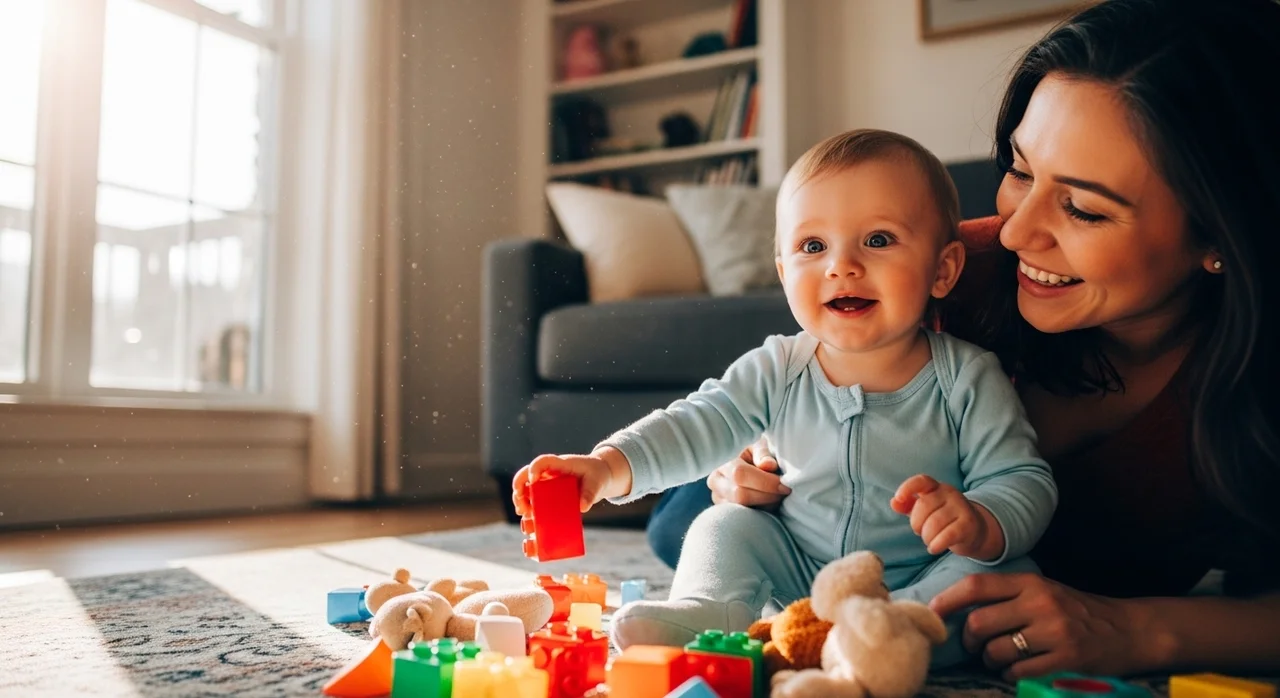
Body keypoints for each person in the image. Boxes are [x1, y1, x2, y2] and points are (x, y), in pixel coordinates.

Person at [646, 0, 1280, 678]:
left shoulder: (1251, 381)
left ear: (1220, 234)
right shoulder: (960, 274)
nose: (1015, 232)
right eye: (1019, 169)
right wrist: (757, 450)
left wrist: (1142, 630)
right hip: (810, 520)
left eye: (1083, 208)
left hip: (934, 599)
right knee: (685, 523)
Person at [514, 129, 1058, 666]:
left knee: (999, 573)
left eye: (878, 240)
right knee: (724, 524)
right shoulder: (778, 366)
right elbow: (695, 423)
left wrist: (983, 520)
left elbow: (1022, 479)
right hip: (799, 577)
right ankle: (707, 613)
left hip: (923, 578)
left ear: (943, 270)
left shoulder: (967, 378)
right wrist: (606, 468)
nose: (841, 265)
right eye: (813, 246)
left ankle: (886, 636)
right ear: (783, 272)